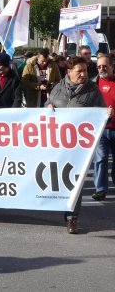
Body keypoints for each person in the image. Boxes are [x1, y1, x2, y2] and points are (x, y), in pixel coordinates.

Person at [46, 56, 106, 234]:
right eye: (79, 71)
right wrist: (48, 106)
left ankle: (72, 217)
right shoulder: (58, 88)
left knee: (76, 181)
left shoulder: (93, 90)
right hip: (58, 143)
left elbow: (101, 114)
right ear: (69, 72)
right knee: (58, 179)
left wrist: (107, 114)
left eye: (85, 71)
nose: (83, 74)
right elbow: (47, 104)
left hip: (80, 146)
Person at [91, 55, 115, 201]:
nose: (101, 69)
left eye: (105, 66)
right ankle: (100, 189)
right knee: (100, 159)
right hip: (100, 129)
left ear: (112, 66)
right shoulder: (92, 84)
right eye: (99, 66)